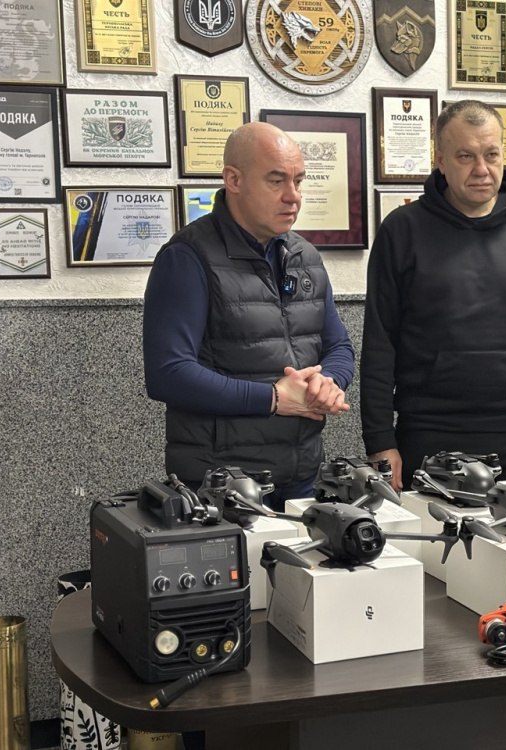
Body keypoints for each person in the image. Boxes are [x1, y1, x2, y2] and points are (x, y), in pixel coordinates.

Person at [361, 99, 506, 490]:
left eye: (491, 154)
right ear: (441, 160)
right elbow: (379, 345)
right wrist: (380, 440)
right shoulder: (402, 231)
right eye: (465, 156)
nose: (481, 169)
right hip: (429, 437)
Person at [143, 122, 354, 511]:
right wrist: (273, 399)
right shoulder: (187, 257)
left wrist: (328, 383)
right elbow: (167, 373)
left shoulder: (305, 255)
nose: (293, 196)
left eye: (298, 181)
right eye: (276, 181)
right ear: (233, 180)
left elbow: (338, 345)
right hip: (221, 484)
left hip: (302, 473)